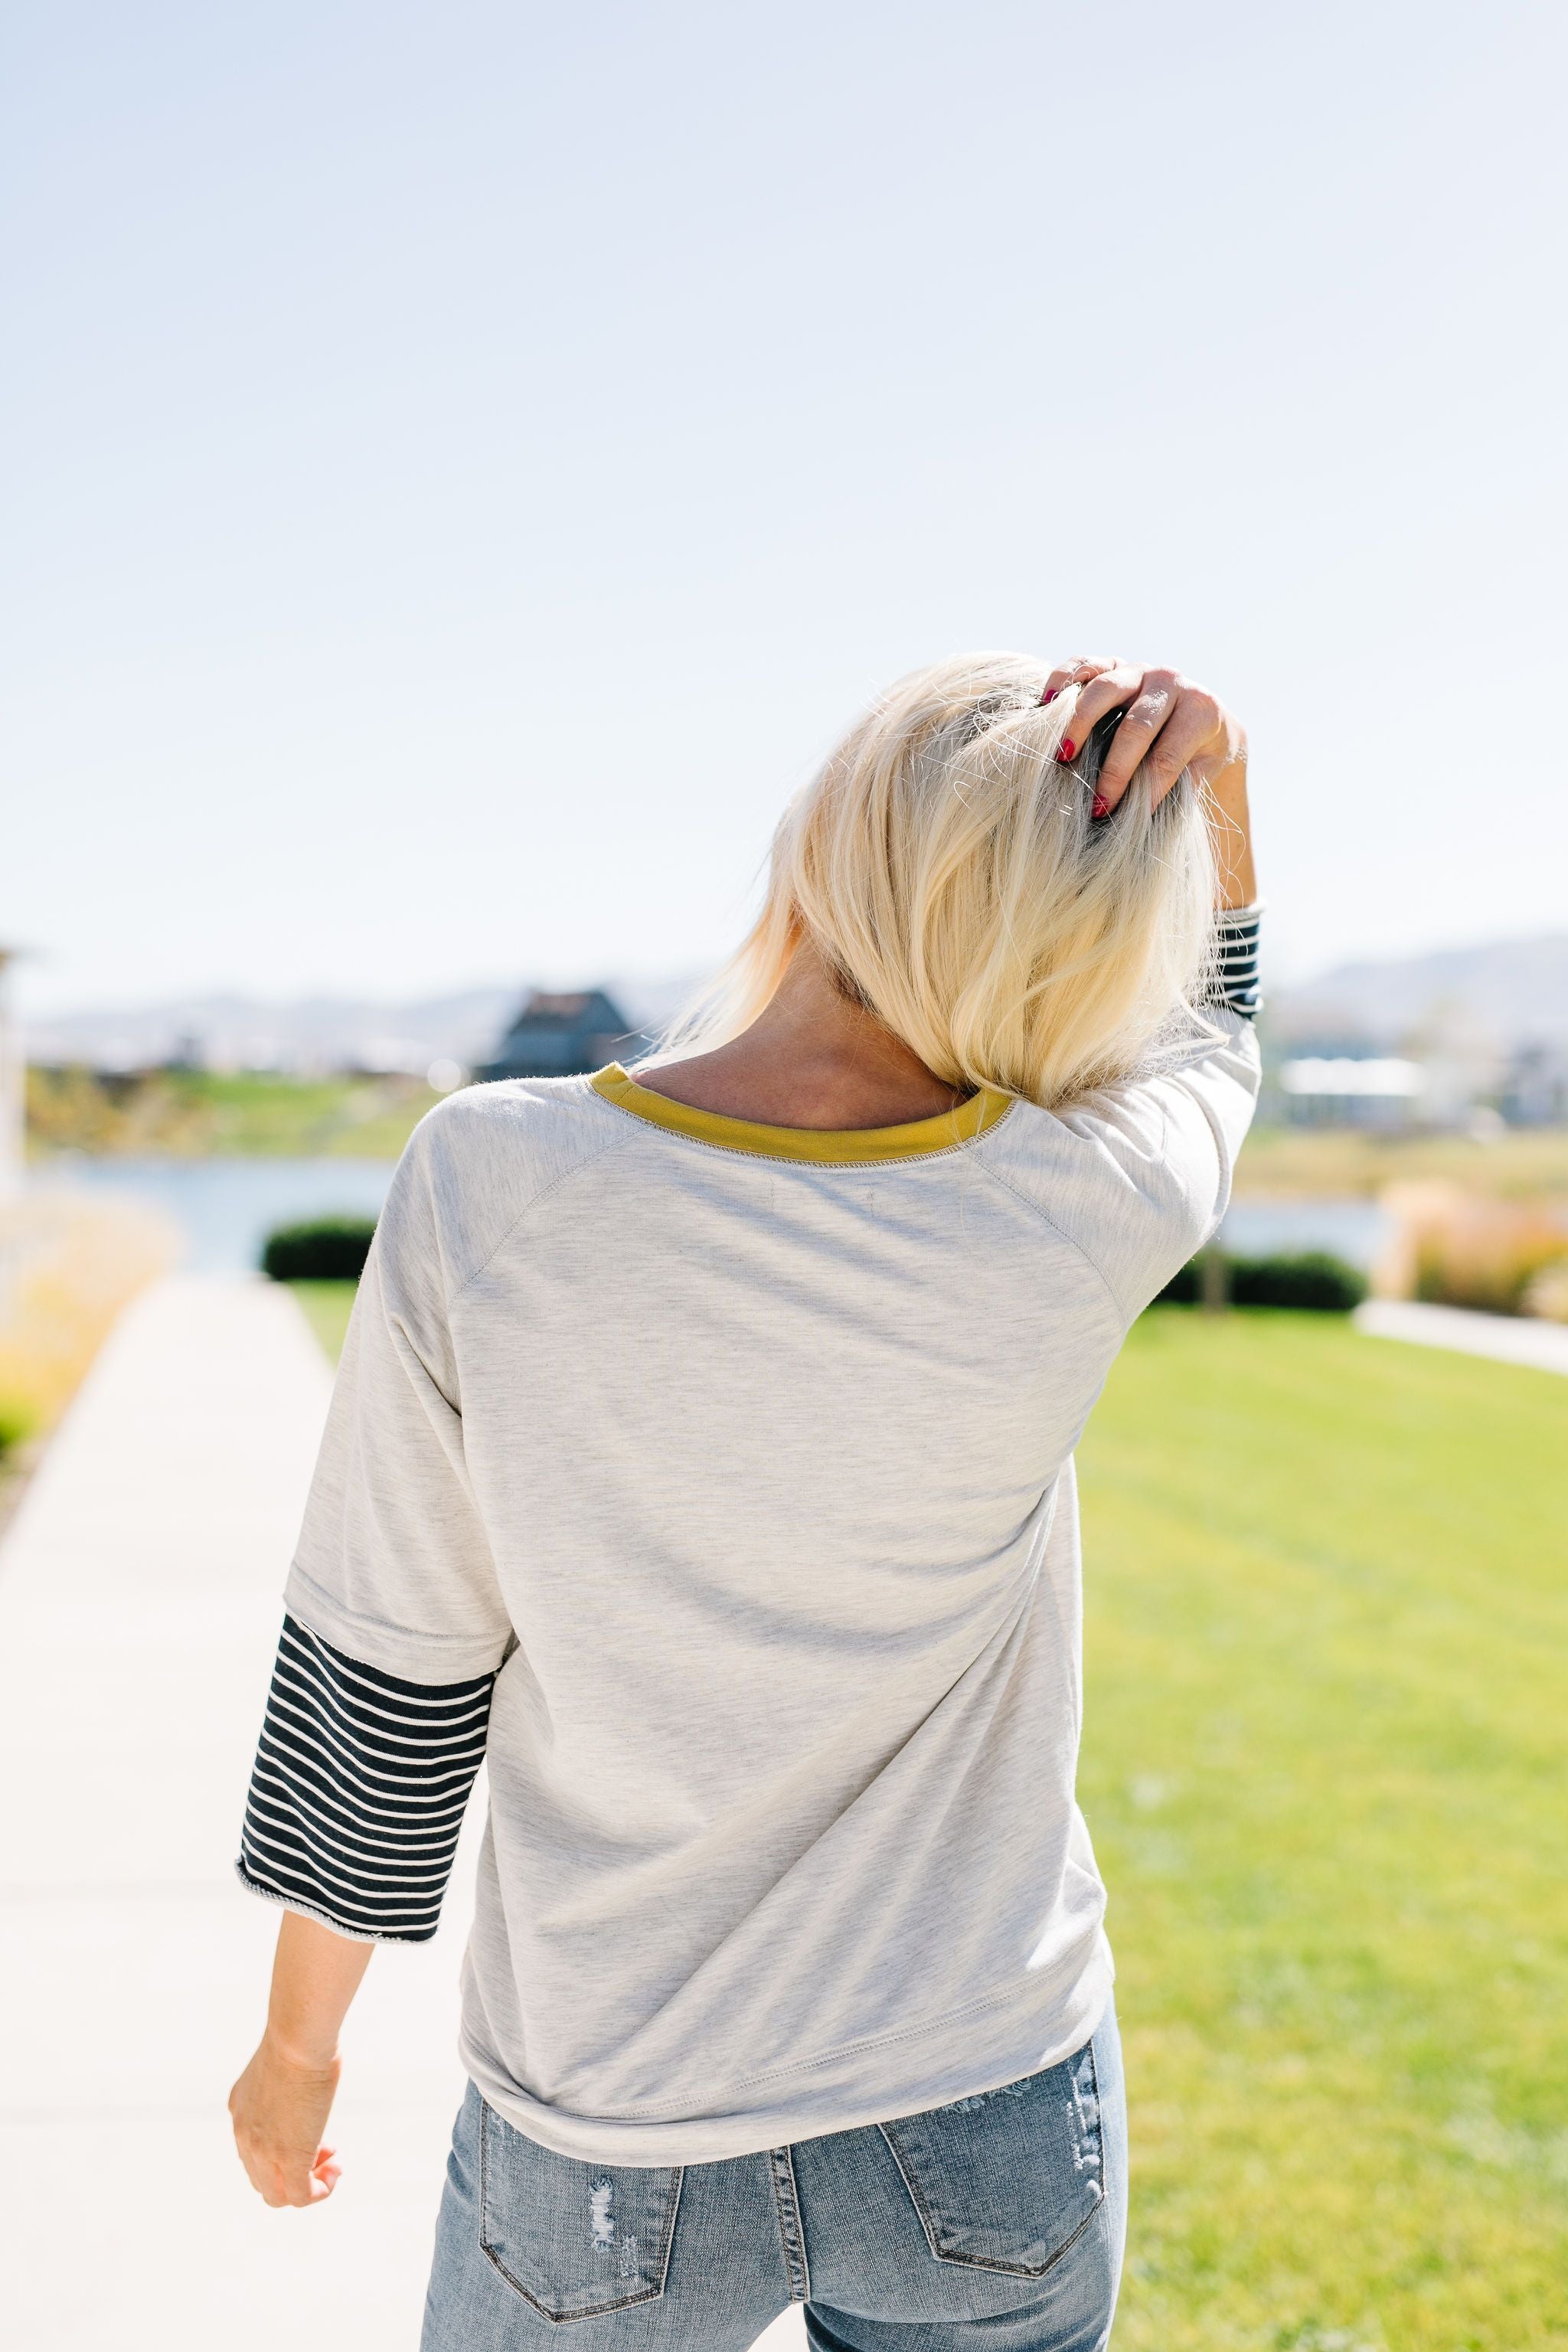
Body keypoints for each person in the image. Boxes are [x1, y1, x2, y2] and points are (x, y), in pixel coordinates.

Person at [228, 650, 1262, 2352]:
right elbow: (1218, 1025)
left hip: (606, 2133)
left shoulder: (491, 1183)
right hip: (990, 2110)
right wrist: (1212, 794)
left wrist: (299, 2050)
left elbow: (389, 1666)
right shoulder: (1088, 1202)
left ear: (819, 847)